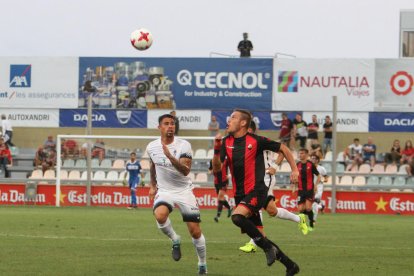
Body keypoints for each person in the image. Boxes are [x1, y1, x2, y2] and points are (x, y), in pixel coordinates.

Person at [212, 109, 300, 275]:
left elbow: (284, 149)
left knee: (237, 217)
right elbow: (217, 168)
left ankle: (268, 249)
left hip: (257, 190)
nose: (228, 120)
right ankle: (290, 265)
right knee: (260, 235)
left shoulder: (256, 140)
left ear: (243, 123)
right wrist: (217, 150)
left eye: (233, 117)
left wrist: (294, 170)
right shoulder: (225, 142)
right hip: (239, 194)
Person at [147, 114, 207, 275]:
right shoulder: (152, 146)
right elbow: (153, 166)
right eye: (166, 124)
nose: (170, 126)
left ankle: (202, 264)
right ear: (159, 127)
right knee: (160, 216)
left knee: (195, 231)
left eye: (172, 124)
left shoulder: (184, 145)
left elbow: (185, 171)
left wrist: (170, 157)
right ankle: (175, 239)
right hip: (165, 191)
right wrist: (153, 185)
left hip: (184, 191)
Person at [239, 120, 308, 254]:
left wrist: (275, 166)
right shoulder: (241, 143)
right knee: (272, 211)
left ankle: (254, 242)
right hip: (253, 180)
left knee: (255, 205)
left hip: (265, 177)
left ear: (250, 130)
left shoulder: (259, 141)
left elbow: (283, 149)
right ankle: (300, 219)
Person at [296, 148, 320, 231]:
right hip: (300, 190)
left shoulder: (310, 164)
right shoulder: (297, 164)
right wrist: (294, 185)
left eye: (302, 153)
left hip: (309, 189)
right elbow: (295, 175)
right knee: (300, 209)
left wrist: (316, 185)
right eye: (299, 153)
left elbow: (318, 175)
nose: (300, 155)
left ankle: (311, 223)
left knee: (308, 208)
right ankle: (309, 218)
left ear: (306, 154)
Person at [310, 154, 328, 223]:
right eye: (311, 158)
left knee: (315, 203)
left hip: (319, 188)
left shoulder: (321, 169)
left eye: (314, 158)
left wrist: (322, 180)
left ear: (317, 160)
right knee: (311, 204)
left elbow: (326, 178)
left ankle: (313, 220)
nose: (312, 160)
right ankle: (321, 206)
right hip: (311, 187)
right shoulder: (309, 168)